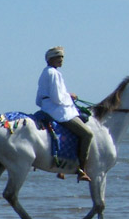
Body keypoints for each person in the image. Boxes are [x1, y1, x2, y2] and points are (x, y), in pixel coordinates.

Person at [36, 46, 93, 182]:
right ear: (51, 59)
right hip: (58, 110)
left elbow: (40, 98)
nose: (61, 60)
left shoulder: (46, 72)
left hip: (49, 108)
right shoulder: (53, 74)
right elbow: (57, 98)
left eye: (62, 57)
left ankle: (64, 167)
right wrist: (70, 96)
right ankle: (81, 169)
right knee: (87, 134)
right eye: (58, 57)